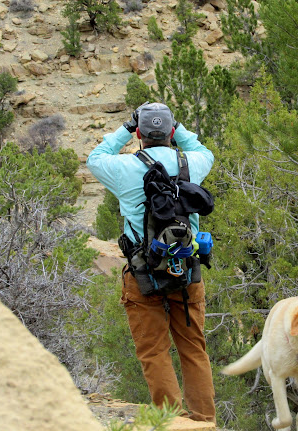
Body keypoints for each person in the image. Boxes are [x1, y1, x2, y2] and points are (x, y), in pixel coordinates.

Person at [86, 102, 216, 424]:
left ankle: (172, 423)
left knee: (154, 352)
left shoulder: (123, 168)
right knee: (194, 351)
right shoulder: (193, 164)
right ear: (171, 132)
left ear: (140, 134)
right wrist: (179, 128)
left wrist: (125, 129)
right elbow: (203, 150)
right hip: (187, 272)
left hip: (142, 274)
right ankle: (204, 422)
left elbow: (94, 159)